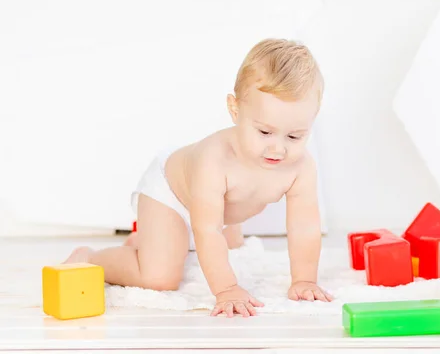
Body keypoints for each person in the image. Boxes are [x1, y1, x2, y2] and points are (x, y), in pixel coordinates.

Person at [64, 38, 333, 317]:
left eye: (294, 136)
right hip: (171, 193)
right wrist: (226, 288)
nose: (278, 148)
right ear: (235, 109)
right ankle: (91, 257)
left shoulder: (300, 167)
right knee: (160, 277)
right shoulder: (214, 160)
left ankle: (148, 240)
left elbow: (305, 228)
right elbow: (207, 229)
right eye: (264, 132)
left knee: (233, 249)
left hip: (222, 206)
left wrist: (304, 280)